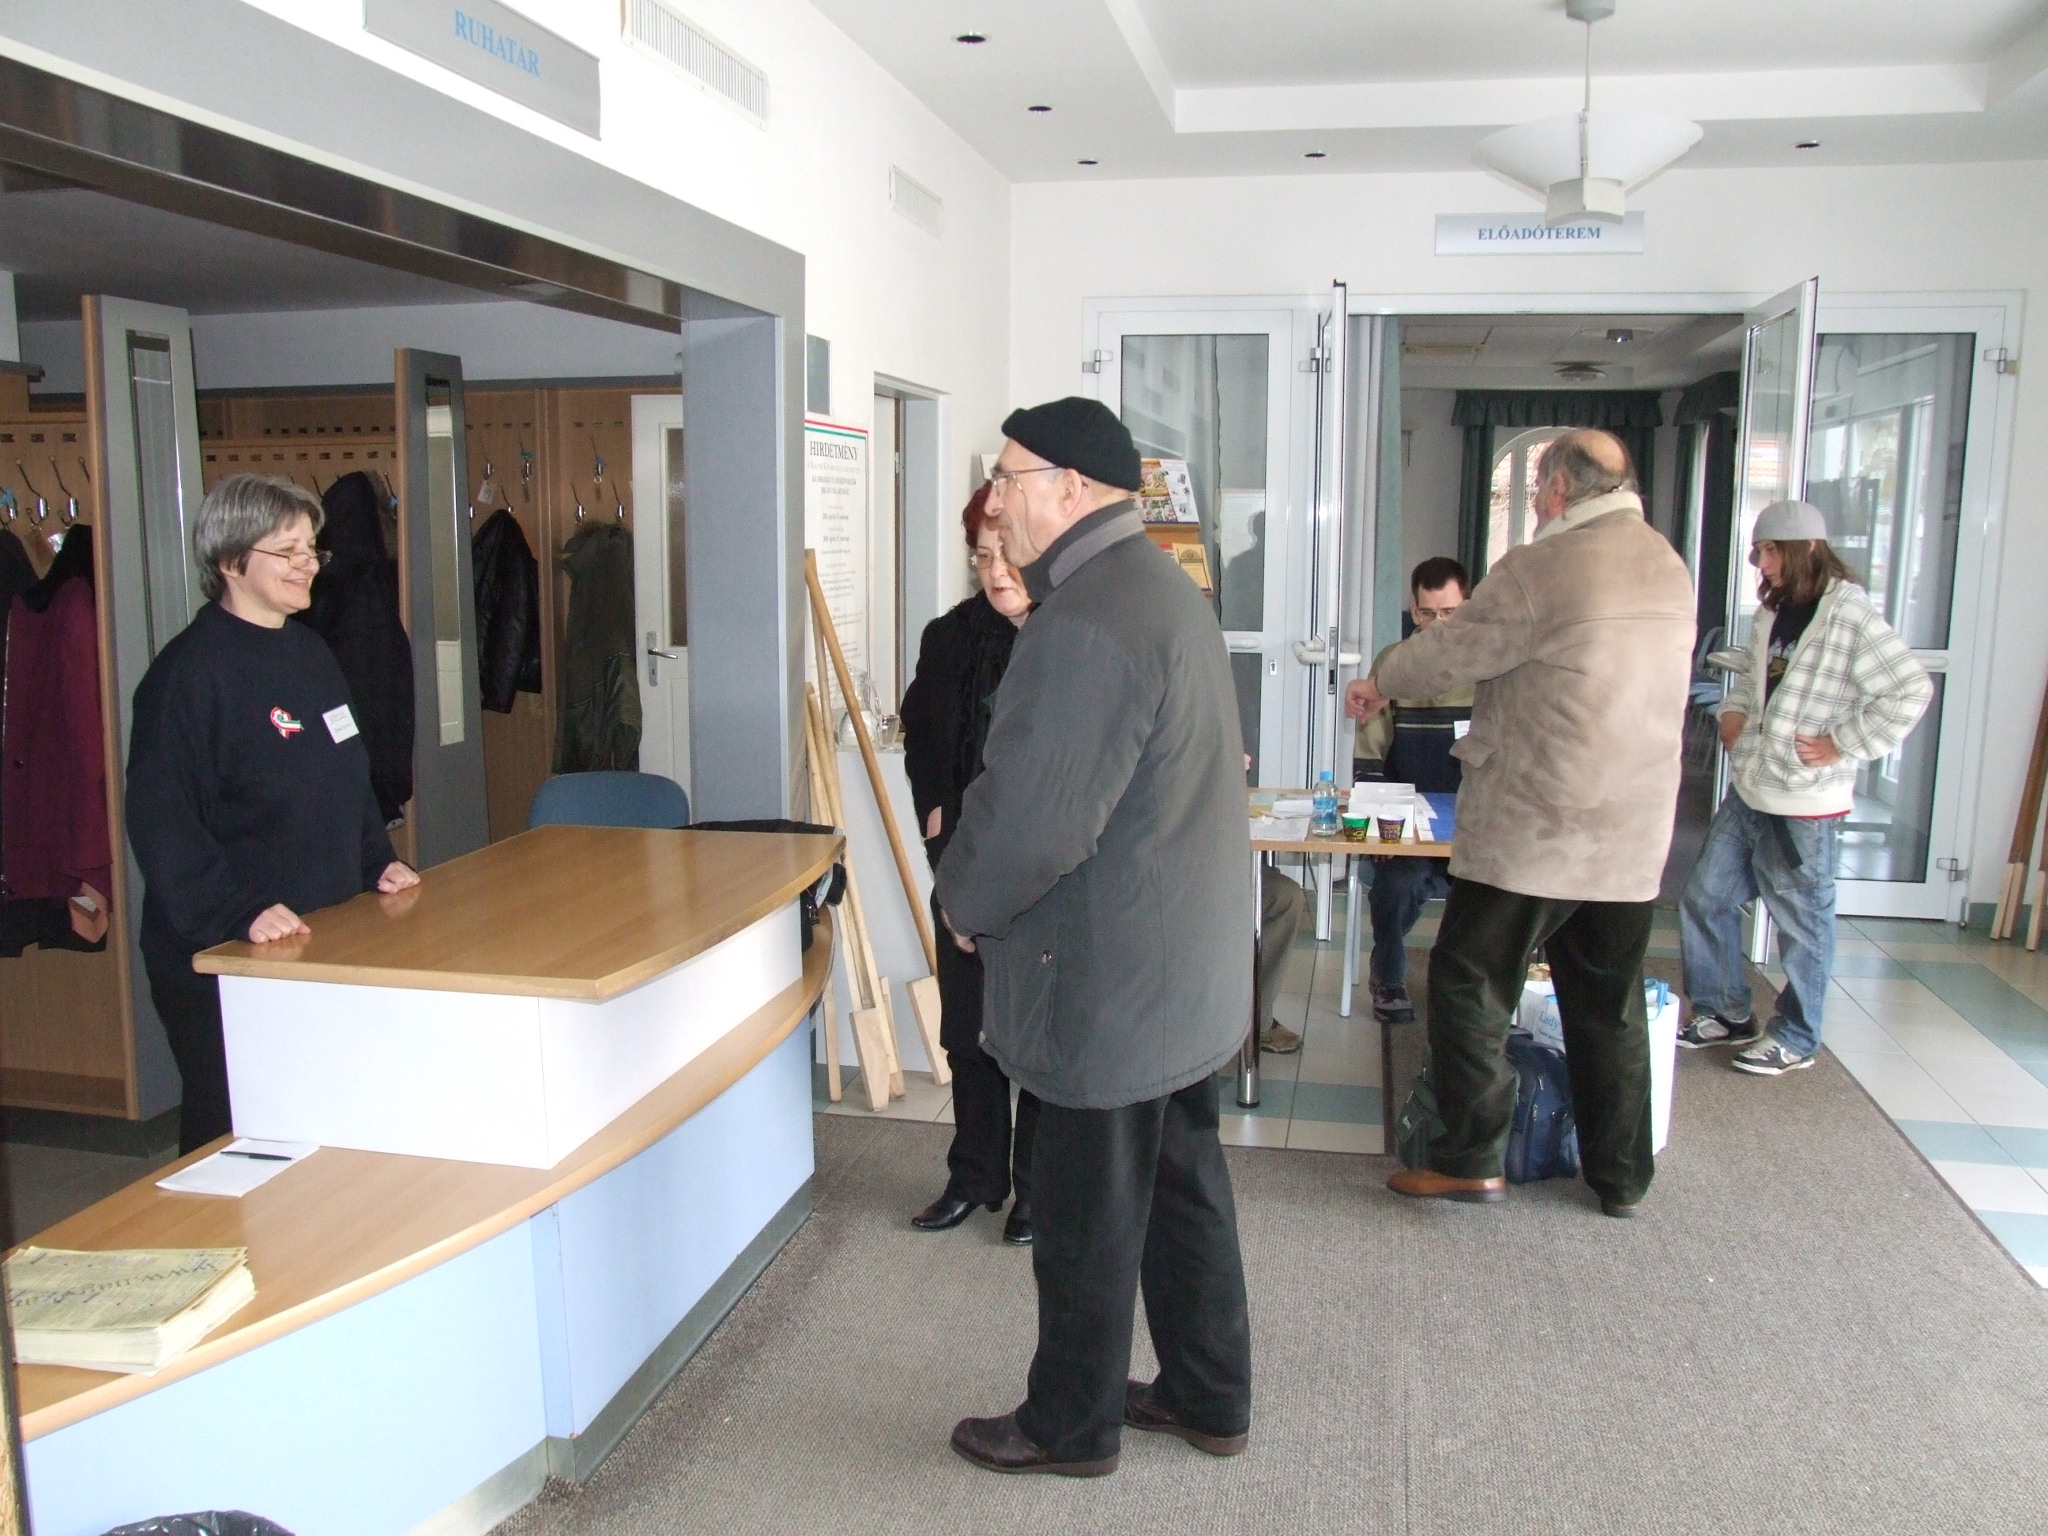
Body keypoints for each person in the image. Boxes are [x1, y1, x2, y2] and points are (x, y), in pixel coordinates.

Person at [937, 397, 1253, 1477]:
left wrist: (963, 902)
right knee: (1181, 1191)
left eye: (1009, 477)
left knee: (1082, 1211)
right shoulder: (1158, 587)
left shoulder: (1082, 619)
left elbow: (1036, 816)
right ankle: (1209, 1394)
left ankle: (1068, 1426)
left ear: (1070, 488)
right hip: (1178, 968)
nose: (996, 499)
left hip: (1109, 979)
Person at [1345, 430, 1693, 1217]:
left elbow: (1450, 652)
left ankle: (1469, 1158)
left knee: (1468, 979)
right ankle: (1621, 1176)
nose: (1535, 503)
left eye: (1538, 489)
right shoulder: (1666, 564)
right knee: (1607, 1003)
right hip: (1633, 829)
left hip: (1543, 823)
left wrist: (1381, 679)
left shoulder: (1544, 566)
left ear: (1561, 489)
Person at [126, 475, 419, 1153]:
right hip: (229, 951)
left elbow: (346, 772)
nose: (308, 564)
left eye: (312, 548)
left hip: (315, 939)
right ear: (230, 561)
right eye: (287, 551)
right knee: (237, 1132)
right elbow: (162, 822)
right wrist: (238, 912)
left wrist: (375, 861)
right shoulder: (187, 676)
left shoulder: (310, 653)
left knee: (316, 1121)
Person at [1679, 500, 1931, 1074]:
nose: (1763, 563)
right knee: (1706, 897)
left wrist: (1843, 742)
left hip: (1805, 802)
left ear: (1807, 549)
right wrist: (1731, 714)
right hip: (1753, 786)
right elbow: (1754, 679)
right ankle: (1725, 1012)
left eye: (1772, 551)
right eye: (1759, 552)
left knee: (1801, 922)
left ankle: (1796, 1037)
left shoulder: (1849, 615)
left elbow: (1909, 689)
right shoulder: (1773, 611)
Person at [900, 485, 1039, 1244]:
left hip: (1047, 873)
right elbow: (924, 746)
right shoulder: (948, 638)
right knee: (968, 1031)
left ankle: (1039, 1192)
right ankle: (976, 1175)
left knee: (1039, 1038)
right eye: (983, 557)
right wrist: (936, 827)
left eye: (1006, 554)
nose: (995, 571)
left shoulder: (1069, 637)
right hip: (965, 861)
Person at [1346, 556, 1473, 1024]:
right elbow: (1370, 753)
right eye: (1428, 613)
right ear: (1414, 612)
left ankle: (1465, 985)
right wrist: (1380, 829)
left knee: (1497, 895)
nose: (1439, 625)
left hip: (1473, 824)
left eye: (1450, 613)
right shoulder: (1392, 666)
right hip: (1406, 824)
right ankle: (1389, 975)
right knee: (1396, 885)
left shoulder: (1488, 668)